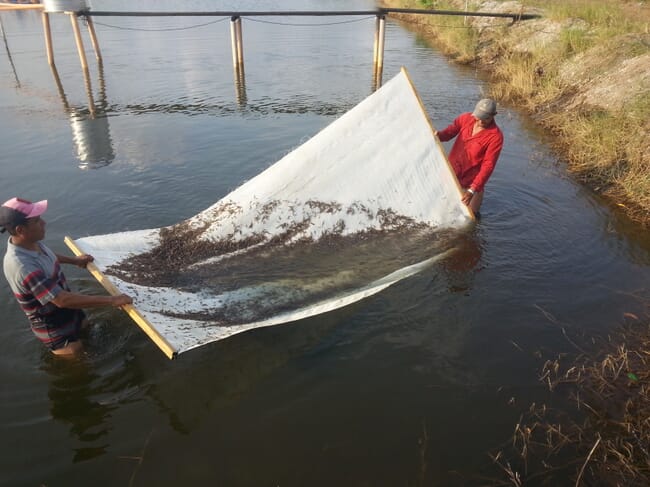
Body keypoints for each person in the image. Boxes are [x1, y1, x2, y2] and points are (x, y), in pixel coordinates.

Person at [1, 197, 132, 356]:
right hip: (52, 325)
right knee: (75, 355)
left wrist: (74, 261)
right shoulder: (21, 266)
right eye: (36, 221)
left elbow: (47, 256)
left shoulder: (30, 244)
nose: (43, 223)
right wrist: (112, 300)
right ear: (20, 230)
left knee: (86, 328)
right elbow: (62, 300)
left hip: (69, 311)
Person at [435, 98, 504, 216]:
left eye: (485, 118)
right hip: (451, 174)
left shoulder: (496, 137)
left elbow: (488, 166)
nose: (480, 121)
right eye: (478, 116)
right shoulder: (465, 118)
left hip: (471, 183)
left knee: (469, 220)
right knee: (440, 210)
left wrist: (472, 190)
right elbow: (448, 133)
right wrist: (438, 135)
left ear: (494, 115)